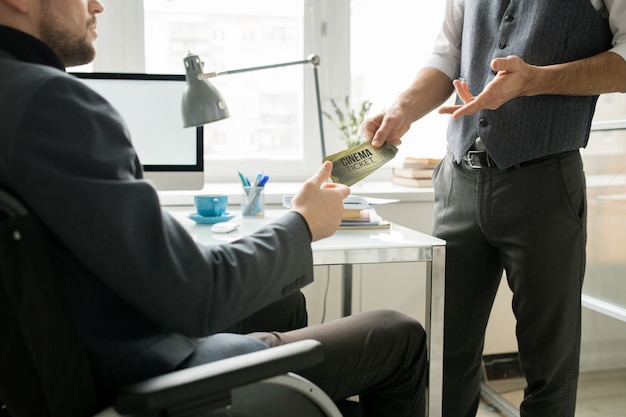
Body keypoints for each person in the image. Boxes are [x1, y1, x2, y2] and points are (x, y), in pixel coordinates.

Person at [0, 1, 428, 416]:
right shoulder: (50, 101)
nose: (97, 5)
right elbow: (196, 295)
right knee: (398, 334)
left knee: (283, 304)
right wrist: (303, 224)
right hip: (139, 373)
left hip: (60, 357)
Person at [363, 1, 626, 416]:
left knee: (549, 363)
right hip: (457, 179)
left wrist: (535, 80)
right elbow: (448, 53)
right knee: (447, 356)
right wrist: (403, 109)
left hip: (545, 181)